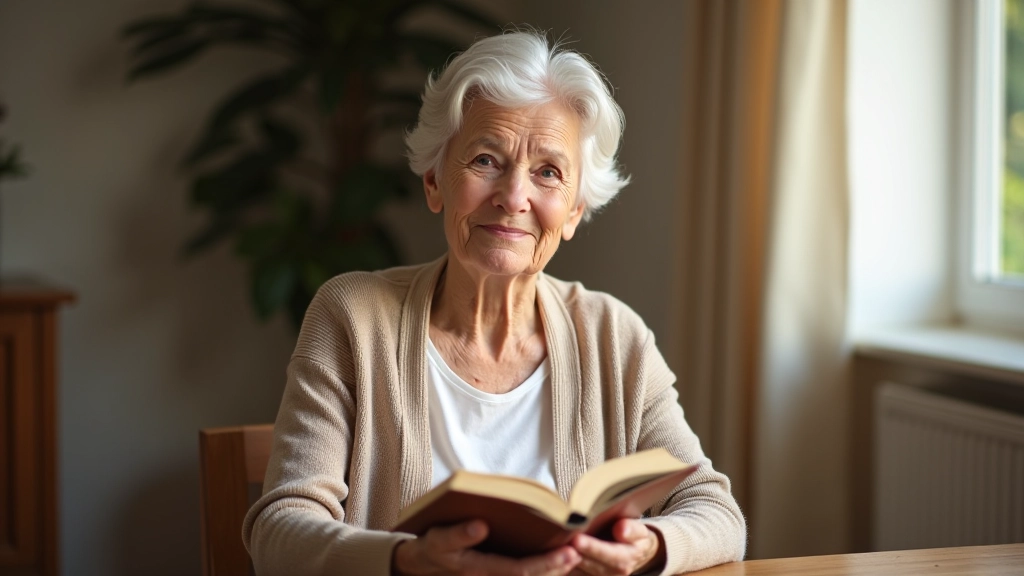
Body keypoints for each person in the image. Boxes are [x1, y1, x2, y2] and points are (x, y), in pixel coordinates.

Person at [242, 31, 746, 576]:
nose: (513, 197)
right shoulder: (352, 317)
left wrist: (648, 544)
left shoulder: (612, 335)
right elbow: (279, 530)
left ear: (574, 211)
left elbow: (717, 512)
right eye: (486, 160)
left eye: (548, 172)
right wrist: (406, 560)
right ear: (435, 181)